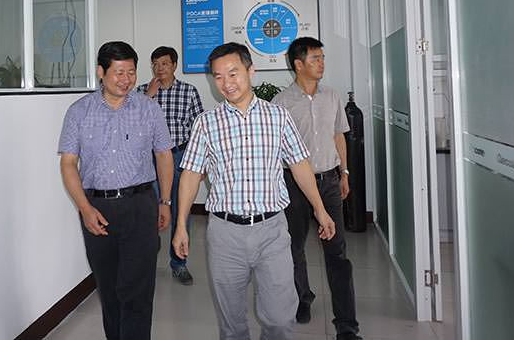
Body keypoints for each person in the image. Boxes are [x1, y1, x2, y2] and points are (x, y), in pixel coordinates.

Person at [172, 42, 335, 340]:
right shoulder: (206, 124)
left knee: (279, 320)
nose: (226, 83)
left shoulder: (278, 116)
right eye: (218, 77)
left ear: (250, 71)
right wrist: (181, 225)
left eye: (233, 73)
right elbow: (191, 175)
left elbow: (300, 165)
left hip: (271, 230)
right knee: (232, 325)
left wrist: (320, 210)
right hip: (225, 234)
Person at [58, 41, 174, 340]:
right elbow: (68, 163)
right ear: (101, 72)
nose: (126, 80)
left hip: (140, 205)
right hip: (97, 208)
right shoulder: (79, 111)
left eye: (131, 72)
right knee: (108, 288)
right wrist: (85, 208)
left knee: (138, 291)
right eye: (119, 73)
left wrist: (164, 201)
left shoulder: (149, 109)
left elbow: (164, 154)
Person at [272, 37, 362, 340]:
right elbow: (276, 150)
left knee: (337, 251)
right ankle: (302, 296)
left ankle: (347, 324)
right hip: (295, 185)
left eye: (322, 57)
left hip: (329, 182)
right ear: (298, 64)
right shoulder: (281, 103)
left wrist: (344, 173)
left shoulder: (332, 96)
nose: (322, 63)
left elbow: (339, 136)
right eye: (315, 58)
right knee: (294, 246)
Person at [138, 45, 204, 285]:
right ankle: (147, 260)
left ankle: (179, 264)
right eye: (155, 64)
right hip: (149, 160)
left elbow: (199, 128)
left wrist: (200, 163)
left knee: (180, 211)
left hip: (180, 157)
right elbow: (131, 123)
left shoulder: (189, 91)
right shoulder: (141, 92)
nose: (160, 68)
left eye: (165, 63)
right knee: (149, 212)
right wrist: (148, 96)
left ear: (174, 65)